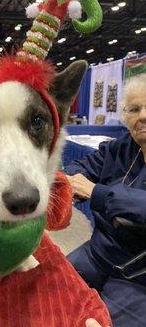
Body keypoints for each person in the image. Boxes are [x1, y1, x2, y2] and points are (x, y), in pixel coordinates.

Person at [65, 73, 146, 327]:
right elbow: (83, 166)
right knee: (51, 288)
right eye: (134, 109)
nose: (143, 116)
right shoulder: (122, 147)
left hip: (137, 275)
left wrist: (96, 192)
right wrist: (69, 181)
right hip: (98, 253)